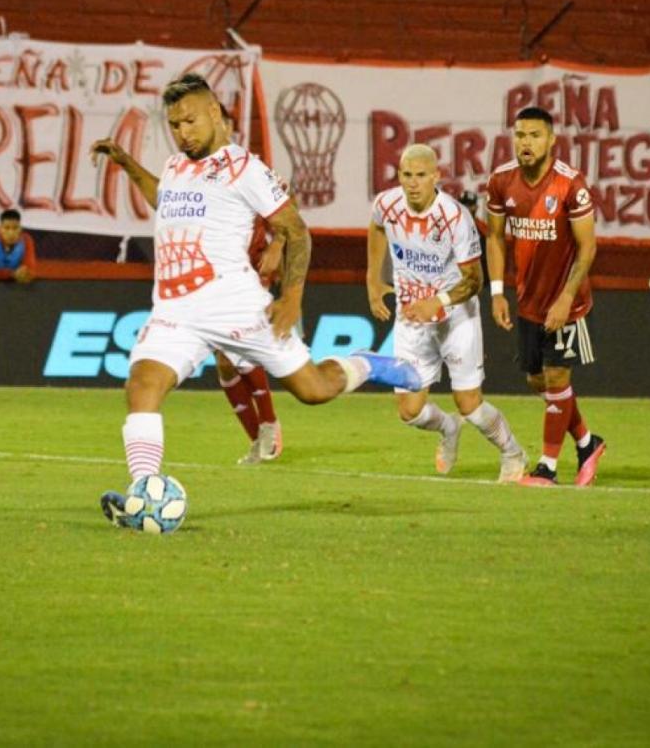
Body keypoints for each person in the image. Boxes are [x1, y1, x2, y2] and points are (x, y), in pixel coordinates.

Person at [91, 73, 420, 528]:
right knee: (142, 387)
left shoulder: (244, 168)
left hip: (237, 306)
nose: (182, 132)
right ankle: (143, 493)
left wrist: (292, 297)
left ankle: (368, 363)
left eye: (189, 121)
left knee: (313, 390)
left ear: (214, 113)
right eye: (174, 125)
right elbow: (163, 200)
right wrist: (127, 163)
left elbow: (295, 230)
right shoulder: (175, 167)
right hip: (175, 311)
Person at [367, 144, 528, 481]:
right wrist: (373, 279)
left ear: (436, 176)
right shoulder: (387, 203)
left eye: (421, 175)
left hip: (456, 317)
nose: (412, 183)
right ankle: (448, 429)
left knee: (469, 404)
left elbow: (475, 280)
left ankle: (513, 453)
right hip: (411, 318)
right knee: (409, 412)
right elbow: (378, 226)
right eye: (406, 175)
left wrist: (437, 301)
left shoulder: (455, 217)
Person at [485, 106, 607, 488]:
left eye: (535, 135)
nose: (526, 142)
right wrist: (497, 292)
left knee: (557, 377)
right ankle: (588, 443)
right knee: (539, 383)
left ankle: (547, 468)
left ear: (552, 140)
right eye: (520, 135)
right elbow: (494, 237)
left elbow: (587, 248)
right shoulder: (501, 181)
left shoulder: (570, 184)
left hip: (566, 304)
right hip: (528, 302)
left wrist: (565, 297)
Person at [226, 216, 287, 465]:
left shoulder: (258, 179)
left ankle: (269, 422)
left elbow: (288, 211)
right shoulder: (207, 182)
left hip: (253, 269)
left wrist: (278, 243)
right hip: (219, 272)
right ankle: (256, 441)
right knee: (224, 362)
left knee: (242, 346)